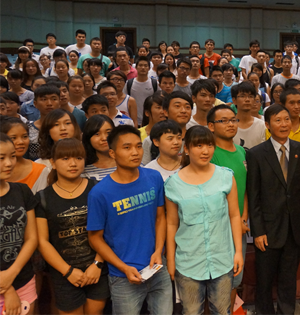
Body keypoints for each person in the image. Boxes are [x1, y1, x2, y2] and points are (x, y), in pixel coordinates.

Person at [87, 125, 172, 314]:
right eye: (127, 147)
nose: (135, 152)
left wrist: (159, 250)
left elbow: (160, 218)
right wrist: (123, 268)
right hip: (122, 276)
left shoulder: (153, 177)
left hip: (157, 267)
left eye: (139, 146)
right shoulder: (99, 193)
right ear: (113, 153)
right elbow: (95, 238)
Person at [164, 125, 243, 314]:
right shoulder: (173, 183)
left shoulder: (225, 176)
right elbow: (172, 223)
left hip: (222, 257)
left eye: (209, 145)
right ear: (187, 149)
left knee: (223, 310)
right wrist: (171, 260)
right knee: (191, 311)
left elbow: (234, 215)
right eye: (198, 146)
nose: (205, 151)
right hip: (188, 260)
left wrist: (238, 251)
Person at [246, 104, 300, 315]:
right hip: (267, 230)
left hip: (294, 228)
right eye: (278, 120)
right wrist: (258, 231)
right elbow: (254, 195)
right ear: (267, 125)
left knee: (288, 279)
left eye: (287, 119)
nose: (284, 124)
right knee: (265, 281)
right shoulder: (257, 154)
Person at [35, 138, 109, 315]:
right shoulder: (43, 198)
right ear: (53, 162)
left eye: (78, 158)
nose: (73, 163)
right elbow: (43, 241)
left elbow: (108, 230)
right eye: (65, 159)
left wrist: (97, 264)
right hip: (63, 274)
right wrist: (68, 272)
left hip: (97, 269)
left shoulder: (97, 189)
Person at [208, 105, 250, 308]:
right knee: (217, 279)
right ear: (211, 126)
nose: (230, 124)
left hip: (238, 225)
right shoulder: (210, 154)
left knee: (235, 277)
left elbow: (245, 190)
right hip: (218, 227)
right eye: (223, 121)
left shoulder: (241, 151)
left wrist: (243, 219)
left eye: (233, 119)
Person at [0, 132, 39, 315]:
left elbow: (31, 238)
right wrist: (6, 288)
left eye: (12, 156)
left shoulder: (22, 191)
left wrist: (11, 273)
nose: (9, 163)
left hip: (22, 278)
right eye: (1, 158)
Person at [124, 56, 158, 126]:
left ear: (149, 68)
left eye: (145, 66)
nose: (143, 68)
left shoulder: (154, 83)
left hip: (150, 121)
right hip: (133, 121)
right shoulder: (129, 83)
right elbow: (125, 100)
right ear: (136, 67)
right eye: (140, 65)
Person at [232, 82, 266, 149]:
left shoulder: (262, 126)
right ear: (234, 100)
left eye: (250, 96)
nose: (247, 99)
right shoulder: (229, 125)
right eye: (242, 96)